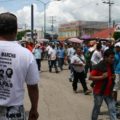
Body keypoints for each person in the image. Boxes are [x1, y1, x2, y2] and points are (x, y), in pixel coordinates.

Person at [0, 12, 39, 120]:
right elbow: (33, 86)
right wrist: (34, 109)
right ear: (16, 30)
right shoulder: (26, 54)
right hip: (14, 112)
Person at [89, 49, 117, 120]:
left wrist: (113, 77)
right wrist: (102, 77)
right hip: (99, 92)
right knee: (97, 108)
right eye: (111, 57)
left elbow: (111, 76)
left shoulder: (111, 65)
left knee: (112, 109)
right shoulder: (99, 66)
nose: (113, 59)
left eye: (113, 57)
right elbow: (90, 77)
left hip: (109, 92)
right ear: (105, 57)